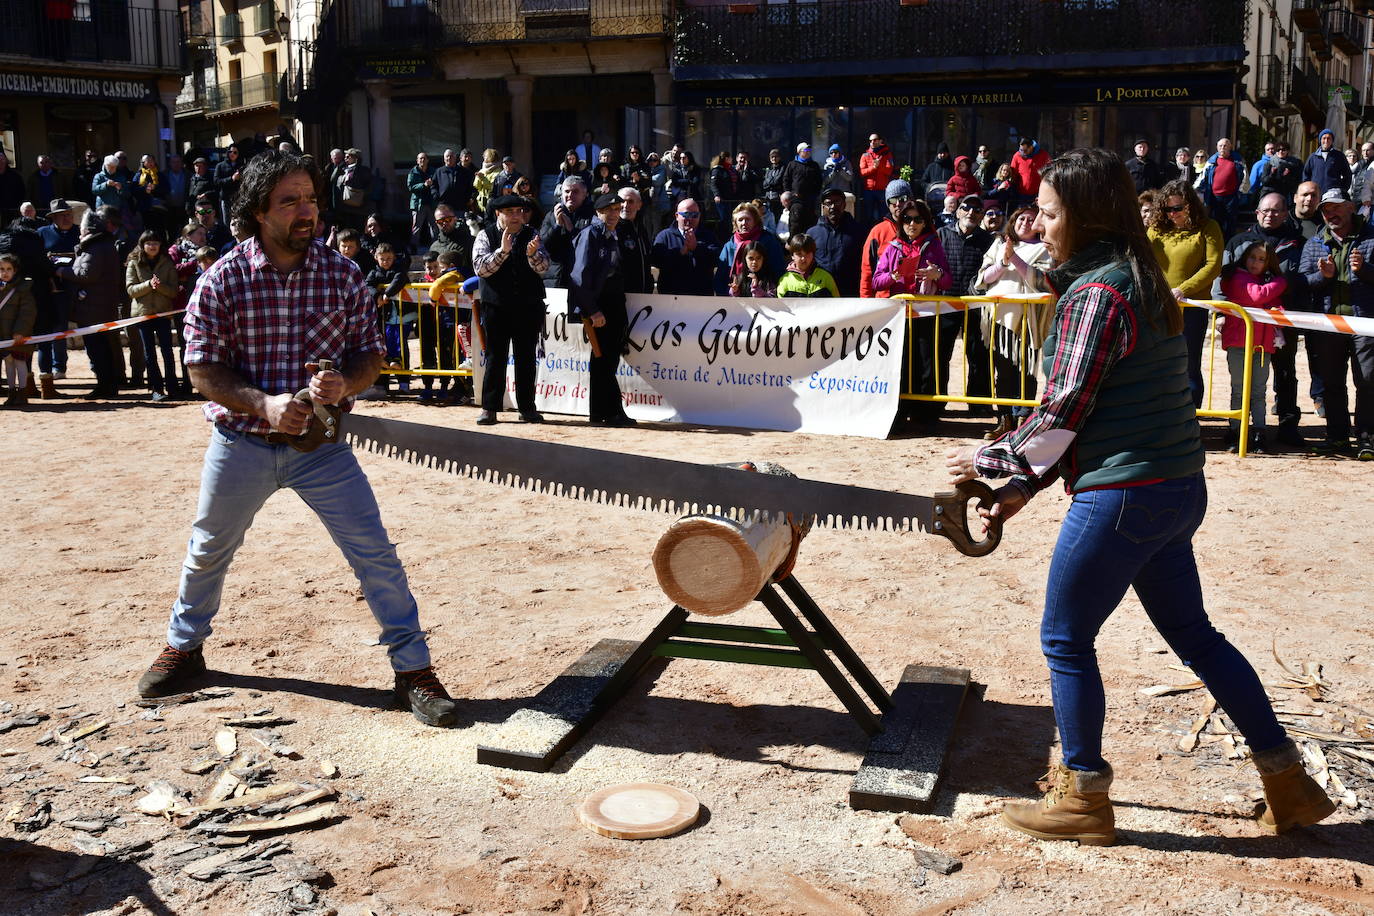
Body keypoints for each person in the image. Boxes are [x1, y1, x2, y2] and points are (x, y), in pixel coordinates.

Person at [946, 147, 1335, 847]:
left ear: (1085, 215)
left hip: (1125, 497)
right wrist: (1023, 488)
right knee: (1196, 637)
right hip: (1173, 489)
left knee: (1065, 639)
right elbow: (1099, 411)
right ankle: (1289, 782)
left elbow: (1065, 408)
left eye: (1051, 213)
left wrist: (988, 457)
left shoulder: (1097, 293)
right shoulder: (1140, 276)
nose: (1040, 224)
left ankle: (1082, 797)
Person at [131, 150, 459, 726]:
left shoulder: (343, 275)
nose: (306, 211)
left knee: (375, 555)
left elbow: (370, 353)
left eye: (310, 198)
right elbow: (201, 368)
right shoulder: (222, 279)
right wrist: (264, 404)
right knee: (208, 550)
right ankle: (184, 649)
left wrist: (345, 383)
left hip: (322, 450)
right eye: (290, 201)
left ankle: (413, 670)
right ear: (259, 211)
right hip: (240, 444)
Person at [1224, 193, 1309, 447]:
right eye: (1266, 210)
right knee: (1240, 386)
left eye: (1276, 210)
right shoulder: (1238, 242)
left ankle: (1282, 427)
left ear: (1285, 213)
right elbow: (1225, 279)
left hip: (1279, 327)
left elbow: (1303, 277)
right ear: (1257, 213)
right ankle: (1237, 430)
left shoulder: (1297, 241)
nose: (1270, 215)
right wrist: (1220, 311)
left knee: (1283, 375)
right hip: (1241, 332)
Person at [1299, 187, 1374, 458]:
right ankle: (1337, 437)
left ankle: (1367, 438)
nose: (1331, 214)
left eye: (1336, 207)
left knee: (1367, 381)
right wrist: (1324, 276)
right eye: (1326, 210)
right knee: (1331, 382)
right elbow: (1303, 282)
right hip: (1328, 324)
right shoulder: (1315, 242)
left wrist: (1364, 270)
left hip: (1365, 322)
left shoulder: (1371, 238)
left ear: (1351, 207)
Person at [973, 206, 1054, 439]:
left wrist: (1015, 258)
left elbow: (1043, 281)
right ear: (1013, 220)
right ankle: (1004, 418)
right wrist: (1003, 261)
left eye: (1031, 219)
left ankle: (1023, 419)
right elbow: (983, 278)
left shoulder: (1044, 248)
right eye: (1021, 218)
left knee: (1026, 371)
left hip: (1028, 320)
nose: (1025, 222)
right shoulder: (999, 243)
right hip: (1000, 318)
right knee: (1003, 370)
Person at [472, 193, 550, 425]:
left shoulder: (532, 234)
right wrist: (503, 251)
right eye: (510, 212)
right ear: (498, 213)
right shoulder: (486, 235)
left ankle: (527, 408)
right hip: (497, 306)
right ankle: (489, 408)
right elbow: (480, 268)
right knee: (496, 357)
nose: (516, 216)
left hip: (527, 305)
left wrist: (533, 255)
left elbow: (545, 267)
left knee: (526, 358)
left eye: (519, 211)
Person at [1147, 178, 1223, 407]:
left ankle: (1191, 417)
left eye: (1177, 208)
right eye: (1167, 209)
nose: (1172, 214)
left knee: (1189, 364)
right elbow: (1144, 262)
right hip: (1158, 306)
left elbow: (1213, 265)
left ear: (1190, 205)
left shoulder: (1208, 227)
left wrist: (1183, 289)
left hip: (1192, 307)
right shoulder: (1156, 230)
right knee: (1155, 363)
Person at [571, 193, 635, 427]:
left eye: (617, 209)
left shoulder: (615, 233)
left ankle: (599, 412)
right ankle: (611, 411)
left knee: (607, 358)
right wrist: (592, 310)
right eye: (608, 210)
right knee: (603, 358)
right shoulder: (591, 234)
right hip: (600, 304)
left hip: (614, 300)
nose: (613, 214)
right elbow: (579, 276)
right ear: (598, 212)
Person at [1218, 237, 1286, 453]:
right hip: (1239, 344)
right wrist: (1281, 282)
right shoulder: (1237, 277)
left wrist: (1277, 309)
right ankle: (1236, 431)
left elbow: (1274, 306)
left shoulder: (1265, 281)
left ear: (1268, 263)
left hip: (1262, 346)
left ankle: (1259, 433)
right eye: (1252, 257)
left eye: (1261, 259)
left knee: (1258, 391)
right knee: (1239, 390)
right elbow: (1257, 296)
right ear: (1244, 258)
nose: (1255, 262)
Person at [58, 206, 124, 398]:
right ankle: (107, 385)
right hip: (98, 306)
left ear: (88, 230)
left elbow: (86, 274)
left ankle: (105, 386)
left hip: (93, 308)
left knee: (98, 349)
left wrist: (61, 271)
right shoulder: (102, 244)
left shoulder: (95, 246)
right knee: (101, 348)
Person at [123, 229, 180, 402]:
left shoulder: (167, 262)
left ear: (161, 245)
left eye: (155, 243)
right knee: (149, 354)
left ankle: (172, 387)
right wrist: (149, 284)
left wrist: (159, 287)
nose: (152, 246)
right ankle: (156, 389)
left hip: (163, 313)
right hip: (143, 315)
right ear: (142, 245)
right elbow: (131, 290)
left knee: (167, 352)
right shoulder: (134, 263)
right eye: (148, 243)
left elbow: (173, 291)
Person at [651, 198, 720, 296]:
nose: (690, 219)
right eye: (686, 215)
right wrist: (680, 252)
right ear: (677, 216)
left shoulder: (709, 236)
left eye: (694, 215)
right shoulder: (664, 236)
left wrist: (696, 248)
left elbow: (716, 259)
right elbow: (656, 260)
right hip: (671, 297)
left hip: (701, 297)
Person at [715, 202, 786, 295]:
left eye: (747, 219)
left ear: (755, 221)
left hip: (763, 295)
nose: (744, 223)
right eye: (740, 220)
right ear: (735, 223)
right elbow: (720, 277)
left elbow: (778, 270)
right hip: (733, 296)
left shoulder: (768, 241)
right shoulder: (729, 246)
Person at [859, 179, 913, 299]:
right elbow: (867, 271)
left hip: (917, 302)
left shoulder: (922, 228)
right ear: (887, 204)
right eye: (892, 200)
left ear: (910, 200)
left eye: (902, 198)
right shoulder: (877, 232)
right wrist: (866, 302)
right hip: (886, 302)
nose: (898, 204)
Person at [805, 188, 863, 296]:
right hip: (821, 292)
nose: (833, 207)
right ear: (823, 207)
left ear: (844, 205)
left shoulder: (859, 231)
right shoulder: (812, 233)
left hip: (850, 293)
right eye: (828, 203)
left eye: (837, 202)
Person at [540, 177, 594, 289]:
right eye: (567, 191)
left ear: (585, 195)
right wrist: (557, 226)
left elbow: (591, 247)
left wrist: (572, 231)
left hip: (582, 281)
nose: (570, 195)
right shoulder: (551, 215)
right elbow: (544, 245)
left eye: (575, 192)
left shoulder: (592, 216)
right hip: (555, 278)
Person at [0, 252, 37, 408]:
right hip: (3, 335)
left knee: (20, 362)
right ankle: (11, 393)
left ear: (15, 271)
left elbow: (27, 313)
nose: (5, 272)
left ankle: (22, 393)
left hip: (18, 334)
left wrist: (20, 331)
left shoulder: (23, 289)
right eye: (1, 269)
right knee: (8, 363)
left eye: (9, 269)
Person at [1199, 138, 1247, 237]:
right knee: (1215, 223)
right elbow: (1202, 177)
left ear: (1230, 147)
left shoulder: (1238, 161)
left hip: (1231, 198)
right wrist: (1193, 189)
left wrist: (1240, 193)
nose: (1222, 148)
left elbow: (1245, 178)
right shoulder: (1211, 161)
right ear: (1217, 147)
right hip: (1215, 198)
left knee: (1230, 224)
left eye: (1225, 145)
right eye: (1220, 146)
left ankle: (1228, 243)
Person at [781, 142, 824, 238]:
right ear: (799, 152)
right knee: (795, 222)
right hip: (796, 200)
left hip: (810, 200)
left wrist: (815, 194)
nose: (808, 152)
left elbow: (819, 181)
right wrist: (790, 194)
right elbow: (786, 180)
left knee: (810, 222)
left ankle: (809, 242)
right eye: (806, 150)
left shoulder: (814, 165)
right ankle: (793, 242)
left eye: (809, 150)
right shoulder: (792, 164)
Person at [616, 187, 653, 295]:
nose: (625, 205)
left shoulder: (642, 227)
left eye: (630, 202)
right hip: (621, 295)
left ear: (639, 205)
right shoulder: (613, 228)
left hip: (643, 293)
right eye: (622, 201)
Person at [859, 134, 896, 226]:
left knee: (883, 215)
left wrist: (879, 166)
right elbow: (862, 172)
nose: (872, 142)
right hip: (869, 190)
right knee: (868, 216)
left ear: (880, 141)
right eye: (870, 140)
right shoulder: (865, 155)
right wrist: (874, 168)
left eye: (875, 140)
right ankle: (868, 232)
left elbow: (889, 171)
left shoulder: (886, 154)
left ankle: (883, 232)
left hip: (882, 190)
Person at [1303, 129, 1352, 195]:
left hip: (1333, 194)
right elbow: (1306, 175)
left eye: (1329, 138)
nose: (1326, 141)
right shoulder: (1313, 157)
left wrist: (1343, 190)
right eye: (1324, 138)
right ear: (1320, 140)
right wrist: (1308, 189)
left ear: (1332, 141)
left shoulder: (1339, 156)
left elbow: (1347, 174)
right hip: (1315, 193)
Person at [433, 148, 475, 220]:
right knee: (445, 224)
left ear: (455, 158)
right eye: (447, 156)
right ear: (444, 159)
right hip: (444, 205)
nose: (449, 158)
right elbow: (433, 185)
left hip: (460, 206)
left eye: (451, 156)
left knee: (459, 224)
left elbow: (470, 186)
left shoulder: (464, 171)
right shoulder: (439, 171)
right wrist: (436, 195)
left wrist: (468, 198)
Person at [407, 152, 437, 248]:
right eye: (420, 158)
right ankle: (414, 247)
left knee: (434, 226)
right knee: (416, 227)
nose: (422, 160)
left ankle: (436, 247)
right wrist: (424, 185)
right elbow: (410, 187)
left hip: (431, 203)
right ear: (417, 160)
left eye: (424, 158)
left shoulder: (433, 171)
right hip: (418, 203)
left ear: (428, 160)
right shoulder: (413, 172)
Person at [1010, 138, 1050, 207]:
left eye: (1025, 150)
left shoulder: (1043, 155)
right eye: (1021, 149)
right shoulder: (1017, 156)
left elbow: (1049, 172)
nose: (1022, 152)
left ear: (1031, 147)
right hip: (1021, 194)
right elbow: (1012, 173)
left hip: (1039, 194)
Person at [213, 144, 243, 227]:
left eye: (235, 152)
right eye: (230, 152)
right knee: (226, 222)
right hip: (226, 198)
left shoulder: (241, 165)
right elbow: (216, 181)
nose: (232, 154)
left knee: (238, 222)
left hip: (238, 198)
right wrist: (231, 178)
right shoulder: (220, 165)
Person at [708, 151, 737, 225]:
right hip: (722, 199)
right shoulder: (717, 170)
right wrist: (717, 195)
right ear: (727, 158)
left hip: (731, 199)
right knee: (724, 219)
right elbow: (713, 184)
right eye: (730, 157)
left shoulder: (730, 169)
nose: (732, 159)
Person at [761, 148, 785, 221]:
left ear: (779, 157)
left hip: (778, 197)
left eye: (776, 156)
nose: (774, 158)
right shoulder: (769, 169)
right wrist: (771, 182)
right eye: (772, 157)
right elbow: (764, 184)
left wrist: (769, 181)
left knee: (778, 217)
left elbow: (777, 181)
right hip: (768, 197)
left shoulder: (783, 168)